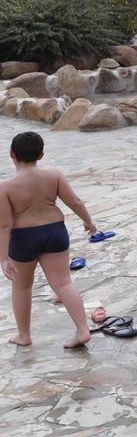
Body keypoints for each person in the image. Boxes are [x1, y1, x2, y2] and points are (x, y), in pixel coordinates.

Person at [0, 132, 96, 348]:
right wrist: (88, 221)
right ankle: (82, 330)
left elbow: (4, 225)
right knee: (63, 282)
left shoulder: (4, 187)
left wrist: (3, 258)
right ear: (41, 154)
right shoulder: (54, 175)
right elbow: (75, 201)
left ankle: (24, 335)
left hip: (24, 238)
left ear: (11, 154)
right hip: (55, 232)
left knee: (22, 287)